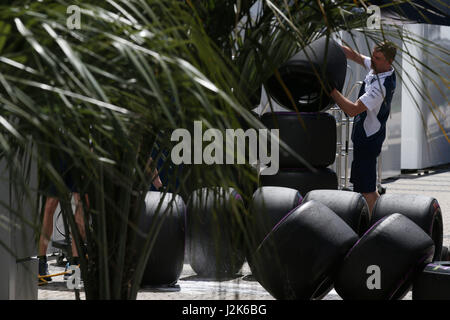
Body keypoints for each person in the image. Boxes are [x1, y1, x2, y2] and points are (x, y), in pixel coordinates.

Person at [329, 41, 397, 214]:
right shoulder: (378, 67)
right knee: (361, 185)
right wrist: (332, 46)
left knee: (366, 189)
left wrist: (330, 89)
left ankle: (379, 221)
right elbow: (355, 56)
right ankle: (372, 219)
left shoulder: (382, 86)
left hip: (369, 138)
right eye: (373, 56)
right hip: (364, 134)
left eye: (377, 58)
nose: (372, 61)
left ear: (389, 62)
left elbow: (352, 110)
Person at [38, 153, 87, 283]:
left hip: (82, 151)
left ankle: (74, 265)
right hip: (58, 151)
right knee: (50, 205)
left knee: (81, 204)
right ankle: (41, 263)